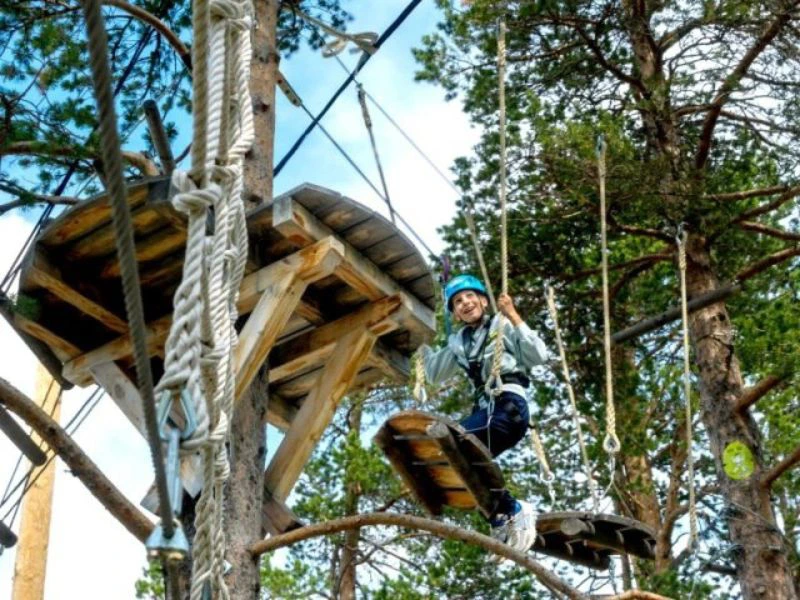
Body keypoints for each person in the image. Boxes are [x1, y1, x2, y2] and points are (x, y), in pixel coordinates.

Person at [419, 274, 548, 553]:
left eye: (469, 297)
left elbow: (538, 355)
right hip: (486, 409)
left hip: (508, 405)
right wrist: (419, 339)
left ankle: (514, 508)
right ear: (454, 313)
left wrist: (513, 314)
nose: (465, 303)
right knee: (460, 461)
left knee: (456, 442)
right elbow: (433, 373)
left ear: (483, 301)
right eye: (457, 302)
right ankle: (499, 516)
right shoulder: (459, 342)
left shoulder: (501, 325)